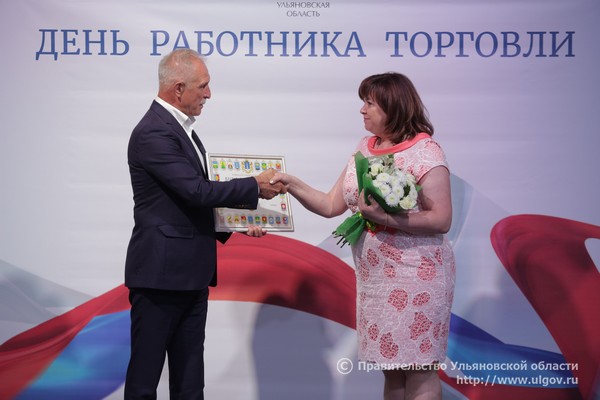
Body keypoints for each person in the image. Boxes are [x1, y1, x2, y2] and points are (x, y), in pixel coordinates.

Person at [271, 72, 455, 400]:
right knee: (392, 369)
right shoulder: (364, 148)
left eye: (369, 103)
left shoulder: (425, 151)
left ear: (393, 107)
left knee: (418, 369)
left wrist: (384, 218)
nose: (362, 110)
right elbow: (331, 204)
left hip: (417, 277)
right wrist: (291, 183)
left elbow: (441, 219)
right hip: (377, 281)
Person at [123, 48, 284, 399]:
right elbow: (196, 191)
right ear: (178, 88)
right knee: (144, 382)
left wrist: (238, 221)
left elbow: (186, 203)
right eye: (203, 86)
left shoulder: (183, 131)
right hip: (160, 278)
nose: (209, 94)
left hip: (191, 275)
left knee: (190, 382)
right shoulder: (154, 132)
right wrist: (255, 186)